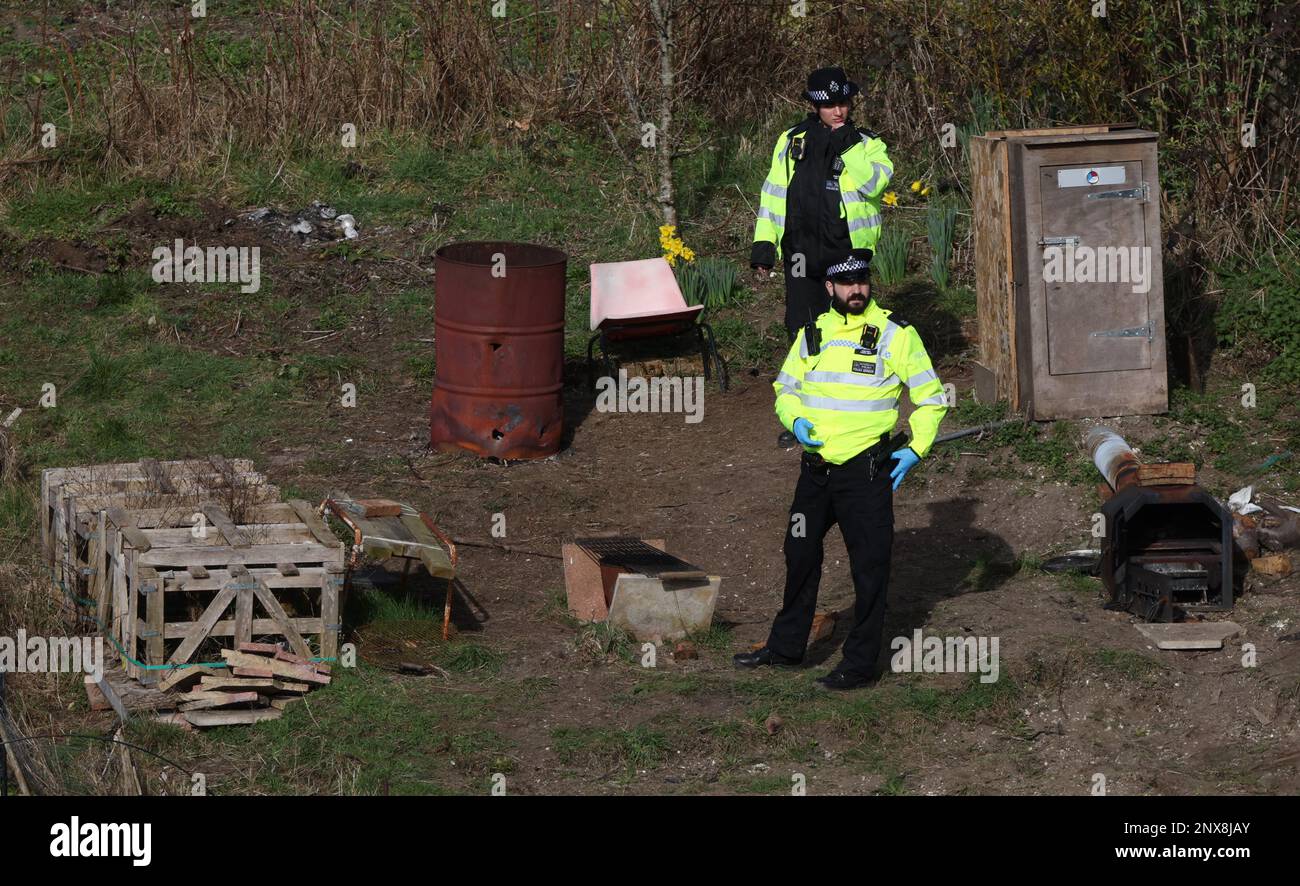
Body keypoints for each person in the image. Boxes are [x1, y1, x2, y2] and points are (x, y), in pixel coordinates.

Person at [734, 249, 948, 690]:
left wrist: (916, 449)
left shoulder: (896, 334)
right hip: (815, 472)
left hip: (865, 472)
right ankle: (786, 647)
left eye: (863, 281)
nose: (857, 290)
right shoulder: (812, 334)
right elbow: (785, 387)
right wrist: (793, 419)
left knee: (869, 566)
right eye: (847, 283)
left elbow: (931, 398)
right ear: (829, 287)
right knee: (799, 553)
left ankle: (860, 663)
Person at [750, 66, 894, 447]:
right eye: (830, 104)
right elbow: (773, 194)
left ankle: (858, 416)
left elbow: (875, 183)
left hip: (845, 254)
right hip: (800, 257)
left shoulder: (866, 143)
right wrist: (765, 245)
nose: (839, 111)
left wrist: (848, 145)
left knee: (851, 333)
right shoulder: (792, 139)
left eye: (844, 103)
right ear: (814, 105)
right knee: (804, 334)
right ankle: (803, 417)